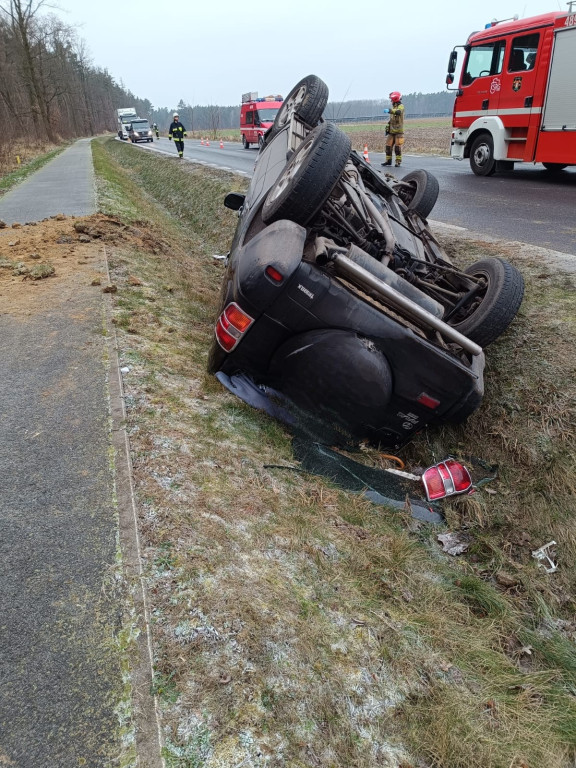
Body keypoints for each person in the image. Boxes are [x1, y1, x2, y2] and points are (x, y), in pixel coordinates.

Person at [381, 91, 405, 168]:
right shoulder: (393, 107)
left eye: (391, 99)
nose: (391, 101)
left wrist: (389, 111)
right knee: (388, 146)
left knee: (397, 148)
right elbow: (391, 120)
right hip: (391, 131)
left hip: (398, 131)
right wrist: (387, 129)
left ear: (394, 99)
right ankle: (388, 161)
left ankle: (398, 162)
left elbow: (398, 112)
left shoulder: (401, 106)